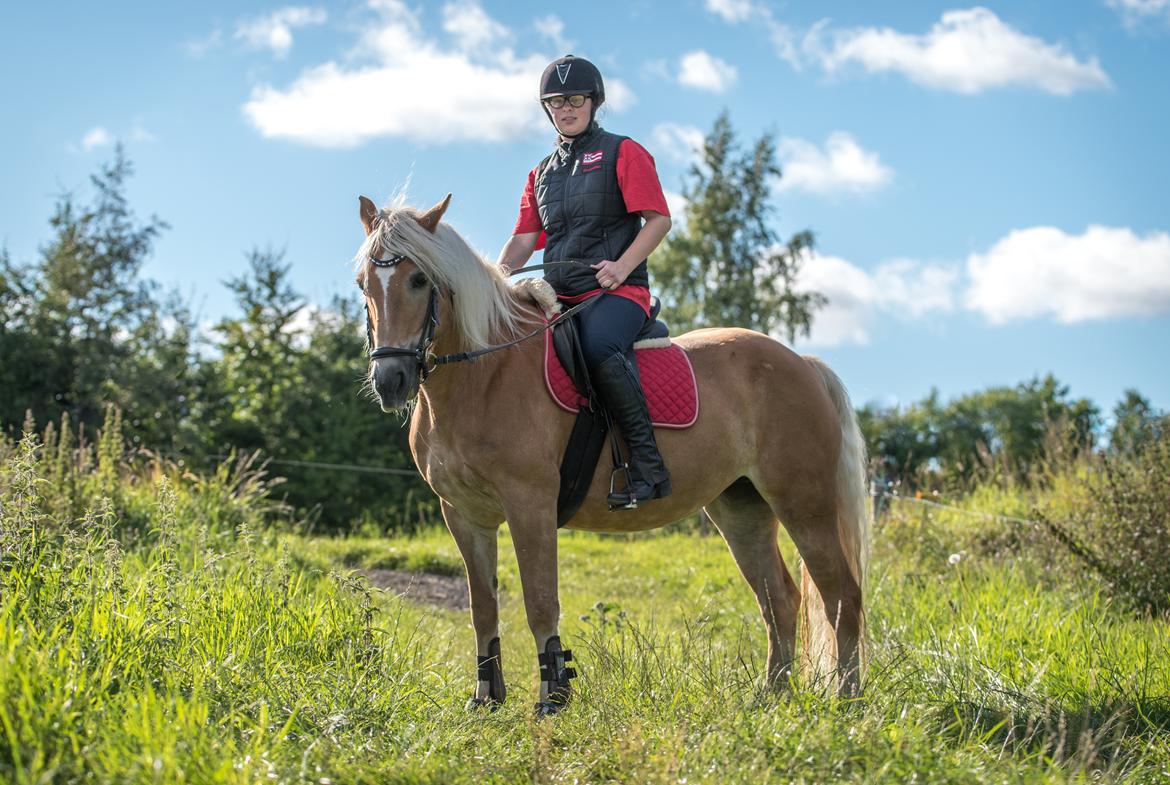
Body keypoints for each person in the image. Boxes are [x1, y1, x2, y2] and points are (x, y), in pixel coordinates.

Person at [498, 54, 673, 511]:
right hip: (559, 296)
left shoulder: (624, 151)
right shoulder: (540, 173)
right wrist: (495, 279)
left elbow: (658, 221)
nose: (566, 109)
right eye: (555, 102)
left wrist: (620, 266)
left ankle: (647, 468)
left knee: (598, 347)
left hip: (618, 293)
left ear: (594, 102)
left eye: (575, 99)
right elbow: (524, 239)